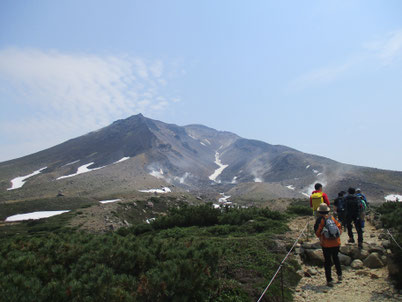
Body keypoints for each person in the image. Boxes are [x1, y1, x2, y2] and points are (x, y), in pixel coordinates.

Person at [314, 203, 342, 287]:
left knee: (327, 261)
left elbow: (318, 233)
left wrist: (321, 236)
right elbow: (339, 227)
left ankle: (329, 280)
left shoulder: (320, 220)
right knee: (336, 258)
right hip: (336, 242)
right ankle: (339, 275)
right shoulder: (332, 218)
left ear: (319, 211)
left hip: (326, 244)